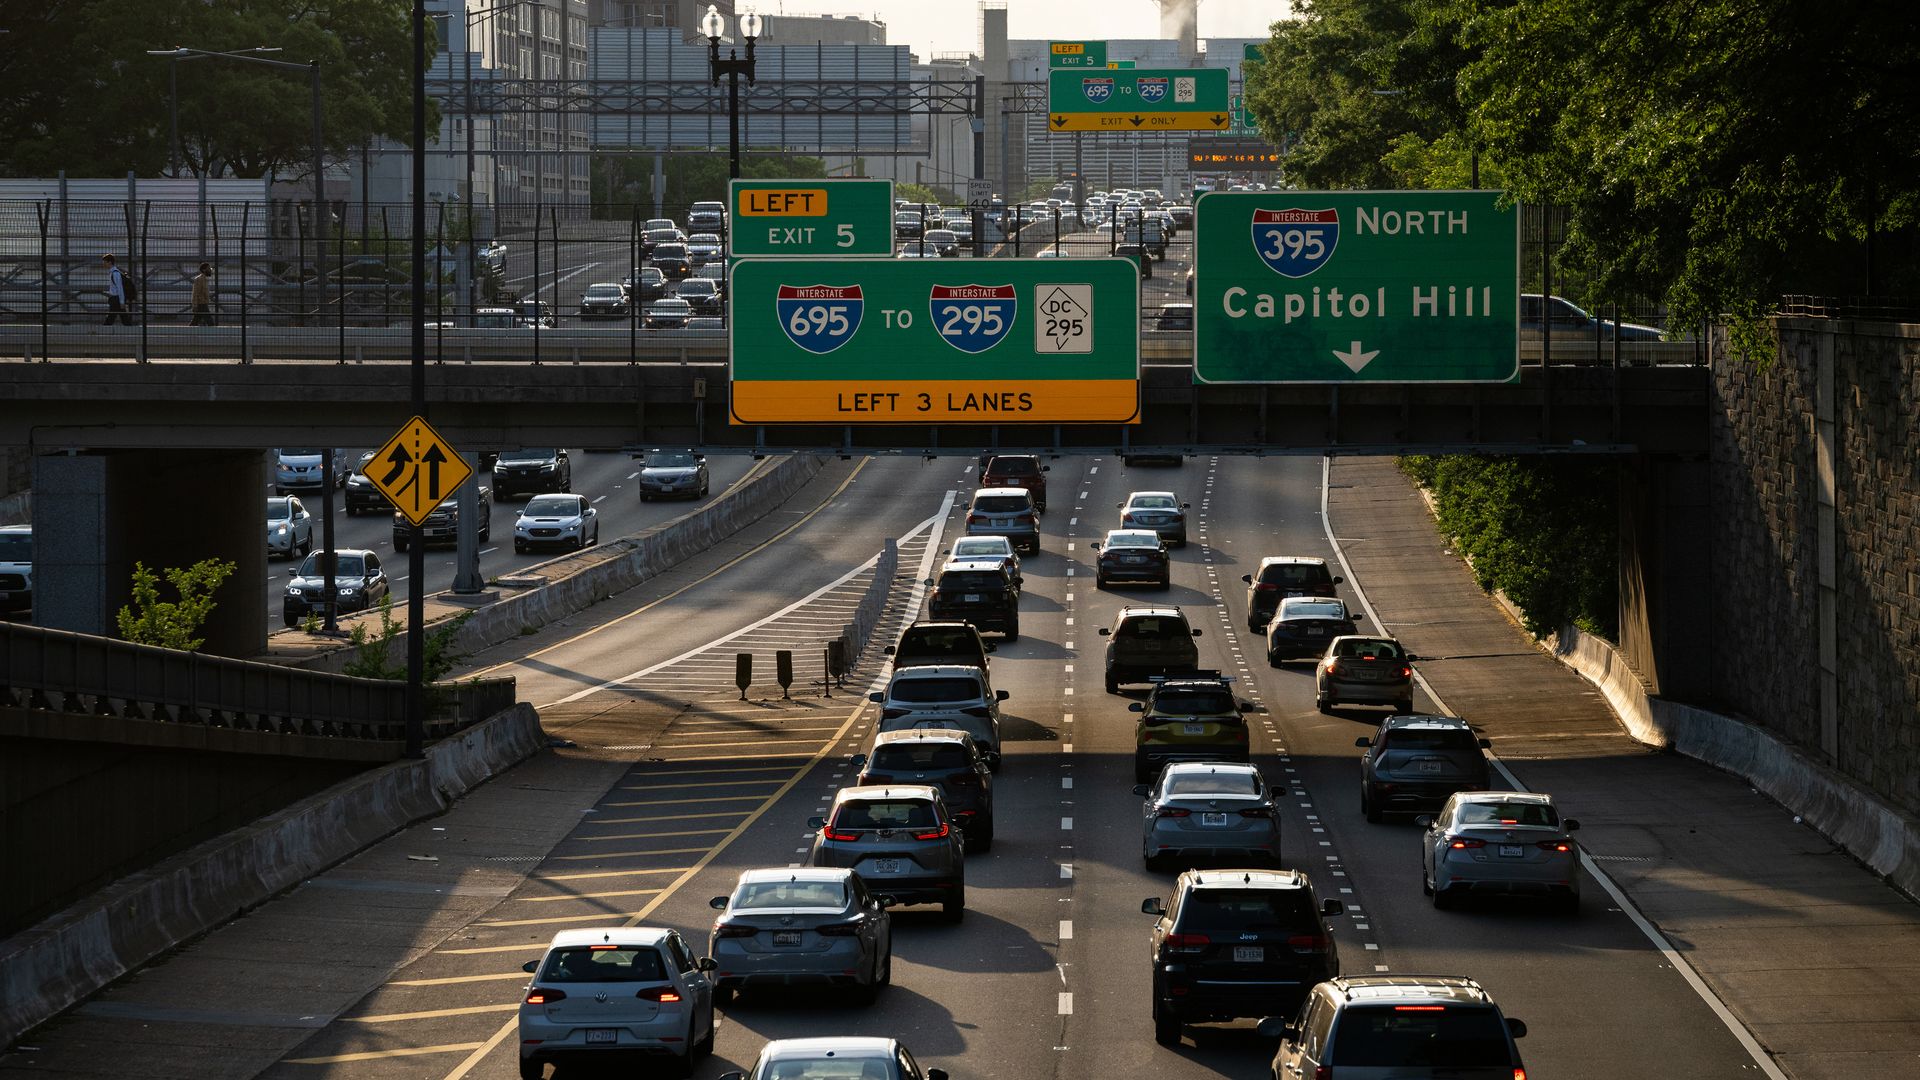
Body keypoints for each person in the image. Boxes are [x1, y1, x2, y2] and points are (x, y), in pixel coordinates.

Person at [102, 254, 133, 325]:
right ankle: (132, 330)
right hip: (116, 299)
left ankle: (104, 331)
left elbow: (120, 288)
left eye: (105, 262)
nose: (103, 264)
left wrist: (122, 302)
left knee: (110, 318)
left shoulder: (115, 273)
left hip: (116, 299)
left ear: (109, 262)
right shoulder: (113, 272)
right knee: (124, 318)